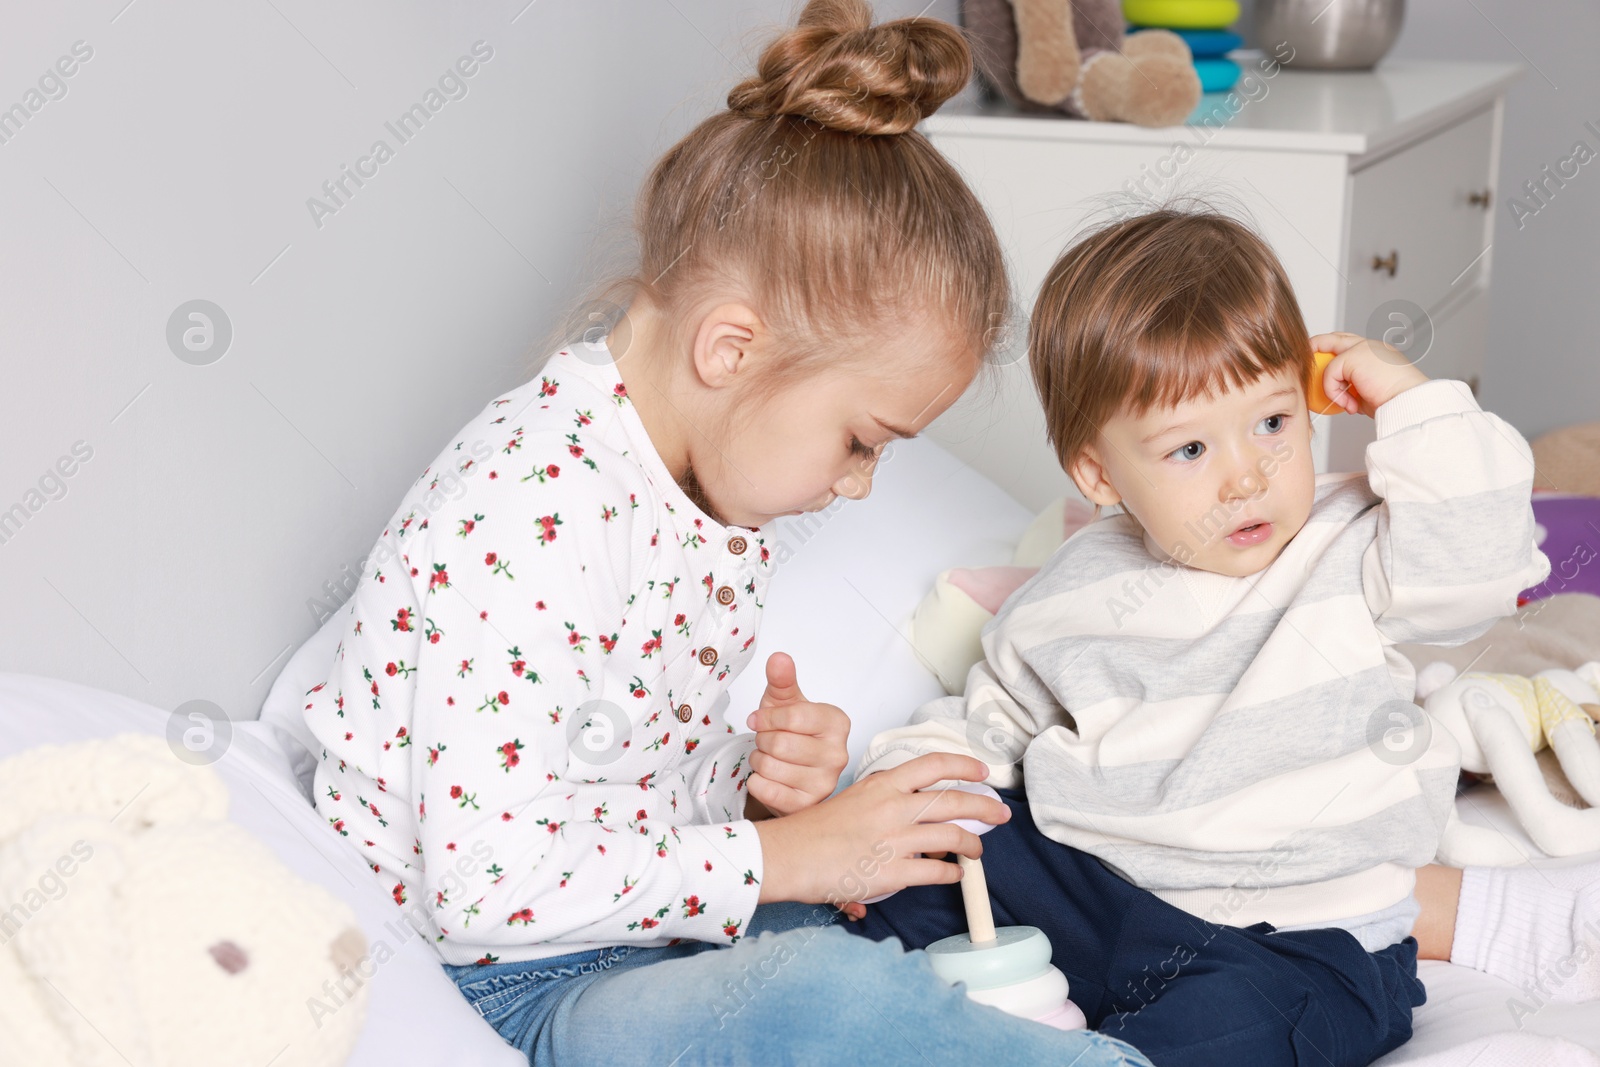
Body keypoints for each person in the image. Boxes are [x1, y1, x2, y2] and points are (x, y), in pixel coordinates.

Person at [303, 2, 1150, 1064]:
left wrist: (758, 785)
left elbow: (628, 784)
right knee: (821, 991)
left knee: (941, 838)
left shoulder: (706, 487)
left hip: (659, 930)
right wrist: (782, 854)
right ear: (730, 348)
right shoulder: (523, 509)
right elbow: (488, 886)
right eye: (858, 439)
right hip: (512, 979)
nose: (856, 486)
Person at [846, 208, 1596, 1066]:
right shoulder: (1072, 592)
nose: (1248, 476)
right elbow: (992, 719)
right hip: (1108, 893)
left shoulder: (1353, 540)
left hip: (1303, 938)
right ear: (1099, 473)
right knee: (937, 864)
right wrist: (904, 790)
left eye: (1274, 424)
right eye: (1192, 447)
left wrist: (1415, 403)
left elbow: (1482, 562)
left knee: (1229, 1026)